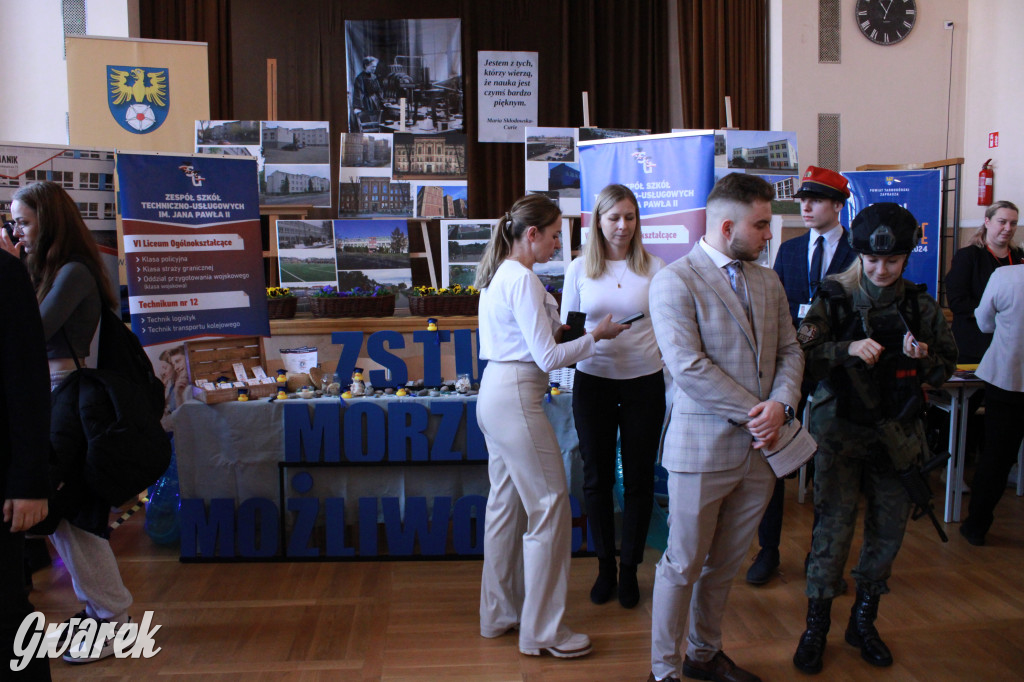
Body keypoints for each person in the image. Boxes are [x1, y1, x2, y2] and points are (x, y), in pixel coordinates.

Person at [648, 173, 804, 682]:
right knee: (682, 564)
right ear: (727, 224)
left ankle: (703, 653)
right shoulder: (676, 280)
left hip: (763, 448)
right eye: (761, 226)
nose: (768, 236)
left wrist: (780, 404)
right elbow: (688, 367)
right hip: (703, 446)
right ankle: (664, 671)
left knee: (725, 565)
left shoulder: (767, 279)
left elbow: (789, 350)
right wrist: (758, 412)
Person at [792, 203, 957, 674]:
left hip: (897, 436)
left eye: (892, 261)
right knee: (833, 530)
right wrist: (847, 348)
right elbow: (802, 355)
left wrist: (923, 358)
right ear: (859, 255)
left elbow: (947, 365)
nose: (881, 270)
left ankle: (864, 620)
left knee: (887, 533)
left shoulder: (920, 307)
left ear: (907, 258)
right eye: (872, 260)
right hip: (840, 433)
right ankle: (816, 625)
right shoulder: (835, 298)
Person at [475, 194, 626, 659]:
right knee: (549, 505)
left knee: (506, 506)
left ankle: (499, 613)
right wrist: (594, 337)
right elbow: (548, 358)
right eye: (556, 235)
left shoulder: (505, 274)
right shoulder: (520, 279)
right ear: (532, 234)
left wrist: (565, 331)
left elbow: (535, 342)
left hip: (497, 393)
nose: (560, 244)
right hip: (517, 396)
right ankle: (543, 631)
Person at [0, 181, 134, 665]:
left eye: (25, 222)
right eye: (15, 222)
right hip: (54, 403)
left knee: (71, 517)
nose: (18, 231)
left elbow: (28, 333)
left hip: (67, 406)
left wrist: (10, 272)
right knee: (63, 519)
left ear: (50, 221)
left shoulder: (74, 271)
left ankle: (110, 612)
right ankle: (104, 608)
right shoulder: (49, 269)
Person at [747, 166, 857, 586]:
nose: (805, 207)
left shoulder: (857, 253)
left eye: (815, 200)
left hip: (837, 371)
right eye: (803, 199)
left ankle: (822, 555)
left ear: (837, 206)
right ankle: (768, 550)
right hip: (789, 367)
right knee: (775, 456)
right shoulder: (790, 251)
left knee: (832, 466)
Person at [560, 184, 665, 608]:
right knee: (596, 480)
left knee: (640, 481)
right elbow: (568, 331)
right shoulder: (578, 269)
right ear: (598, 222)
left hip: (644, 382)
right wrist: (594, 334)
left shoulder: (655, 267)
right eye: (614, 218)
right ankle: (605, 566)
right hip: (594, 382)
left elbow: (669, 327)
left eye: (630, 217)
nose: (623, 226)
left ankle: (630, 571)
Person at [1, 249, 52, 681]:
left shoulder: (3, 272)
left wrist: (30, 483)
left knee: (7, 612)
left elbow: (27, 382)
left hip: (5, 481)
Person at [959, 263, 1024, 546]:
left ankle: (976, 526)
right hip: (1006, 376)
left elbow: (984, 322)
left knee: (996, 457)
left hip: (1007, 376)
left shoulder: (1006, 276)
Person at [945, 200, 1021, 364]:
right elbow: (957, 302)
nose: (1008, 228)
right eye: (1002, 222)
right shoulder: (968, 256)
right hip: (975, 344)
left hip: (1012, 345)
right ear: (987, 221)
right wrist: (996, 315)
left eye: (1013, 223)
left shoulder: (1019, 257)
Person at [351, 56, 384, 129]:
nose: (374, 69)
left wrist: (382, 100)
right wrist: (357, 107)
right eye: (372, 67)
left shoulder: (374, 77)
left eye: (375, 67)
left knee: (377, 124)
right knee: (367, 125)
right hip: (365, 104)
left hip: (375, 103)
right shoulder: (360, 78)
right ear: (366, 66)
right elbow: (358, 93)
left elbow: (378, 90)